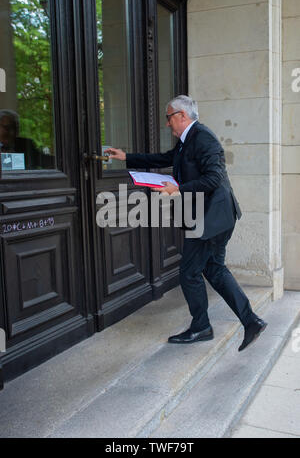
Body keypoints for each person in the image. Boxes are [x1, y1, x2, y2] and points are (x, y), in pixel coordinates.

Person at [106, 95, 267, 352]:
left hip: (212, 219)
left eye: (169, 117)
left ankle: (202, 327)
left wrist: (178, 188)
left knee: (190, 272)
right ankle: (251, 321)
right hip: (213, 217)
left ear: (182, 115)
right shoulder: (186, 141)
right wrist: (127, 157)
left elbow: (214, 178)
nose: (167, 123)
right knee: (214, 270)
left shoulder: (204, 138)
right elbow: (164, 158)